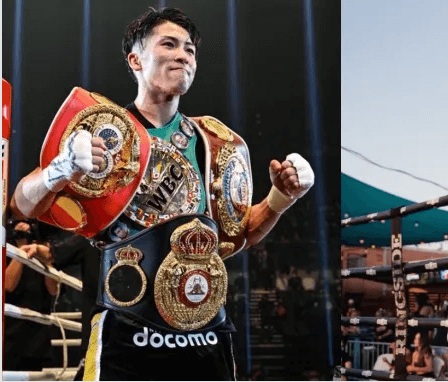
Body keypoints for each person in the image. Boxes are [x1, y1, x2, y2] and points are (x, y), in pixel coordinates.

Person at [9, 8, 313, 380]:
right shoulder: (103, 132)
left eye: (190, 49)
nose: (183, 54)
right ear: (135, 59)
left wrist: (280, 199)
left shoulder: (214, 143)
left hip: (206, 332)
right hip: (127, 327)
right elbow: (22, 203)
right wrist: (59, 170)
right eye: (168, 44)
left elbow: (238, 235)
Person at [3, 220, 59, 371]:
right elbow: (7, 285)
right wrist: (20, 249)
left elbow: (53, 290)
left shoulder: (41, 251)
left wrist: (45, 256)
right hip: (10, 336)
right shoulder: (6, 250)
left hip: (37, 337)